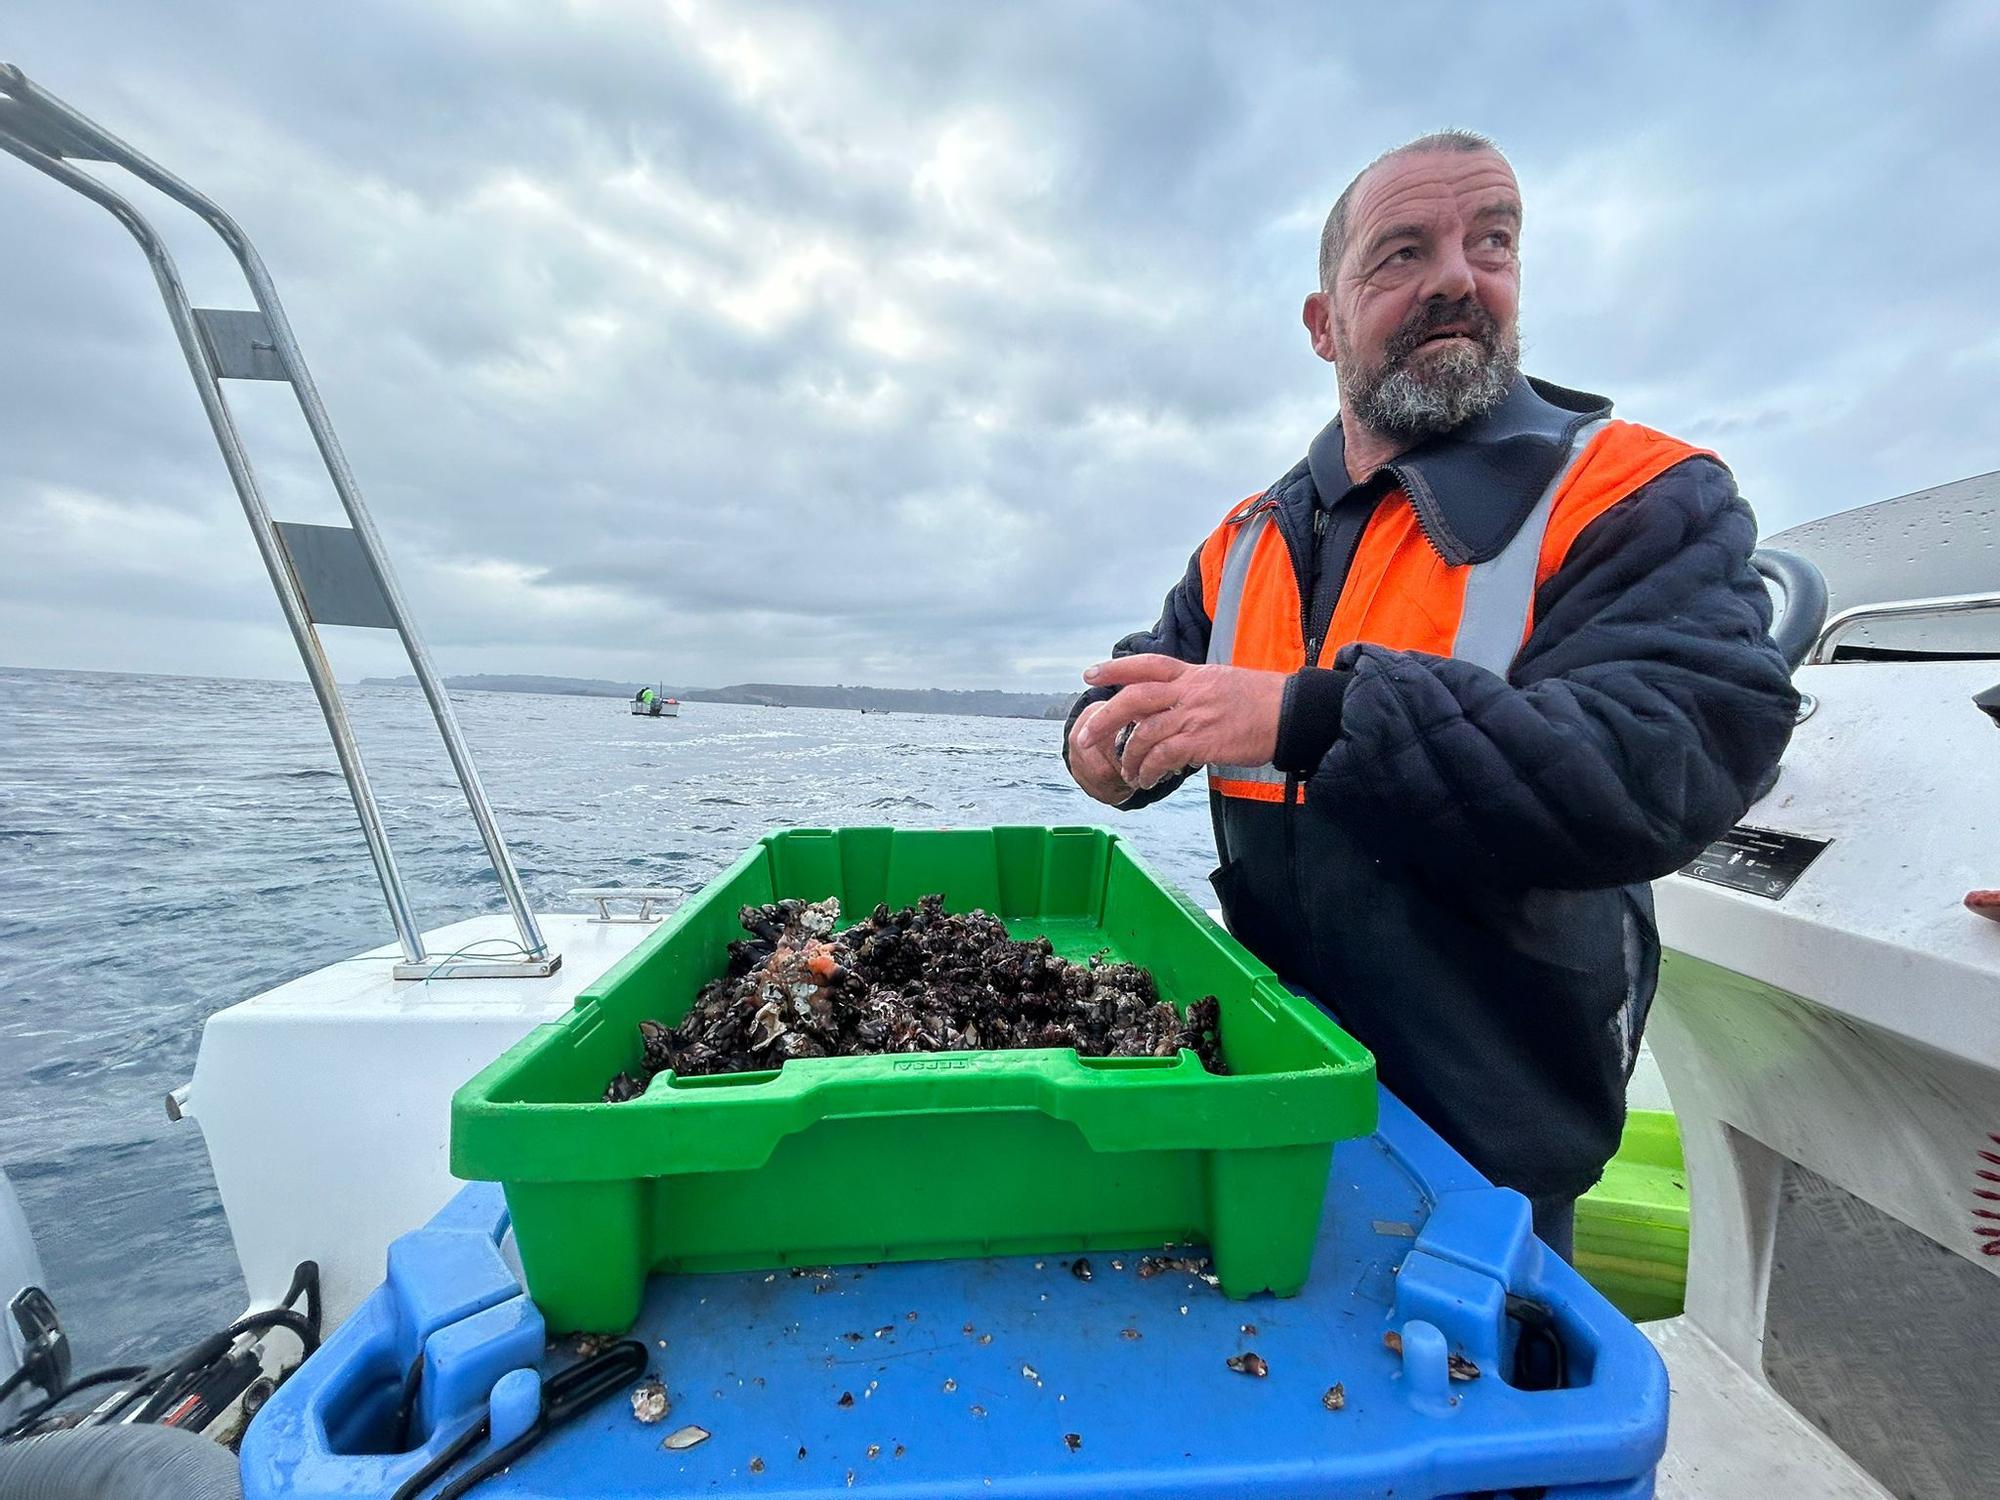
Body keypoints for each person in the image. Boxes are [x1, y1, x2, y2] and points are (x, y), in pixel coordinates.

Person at [1064, 130, 1797, 1261]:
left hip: (1487, 1146)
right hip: (1268, 1093)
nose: (1456, 276)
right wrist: (1098, 751)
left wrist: (1304, 715)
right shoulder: (1247, 538)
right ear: (1323, 323)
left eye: (1489, 243)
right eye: (1401, 253)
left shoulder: (1637, 494)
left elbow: (1661, 764)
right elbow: (1138, 682)